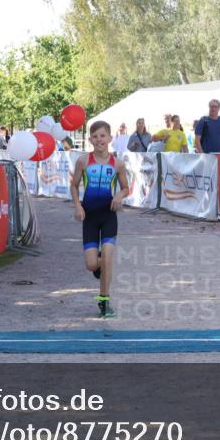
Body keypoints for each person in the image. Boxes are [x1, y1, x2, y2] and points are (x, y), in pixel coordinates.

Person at [70, 120, 130, 318]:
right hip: (90, 217)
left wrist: (119, 196)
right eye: (95, 136)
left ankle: (104, 302)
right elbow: (74, 185)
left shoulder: (117, 163)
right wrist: (78, 206)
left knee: (108, 256)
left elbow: (125, 187)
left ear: (110, 138)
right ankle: (100, 269)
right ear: (90, 140)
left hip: (108, 216)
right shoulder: (83, 161)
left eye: (103, 136)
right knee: (91, 264)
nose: (99, 140)